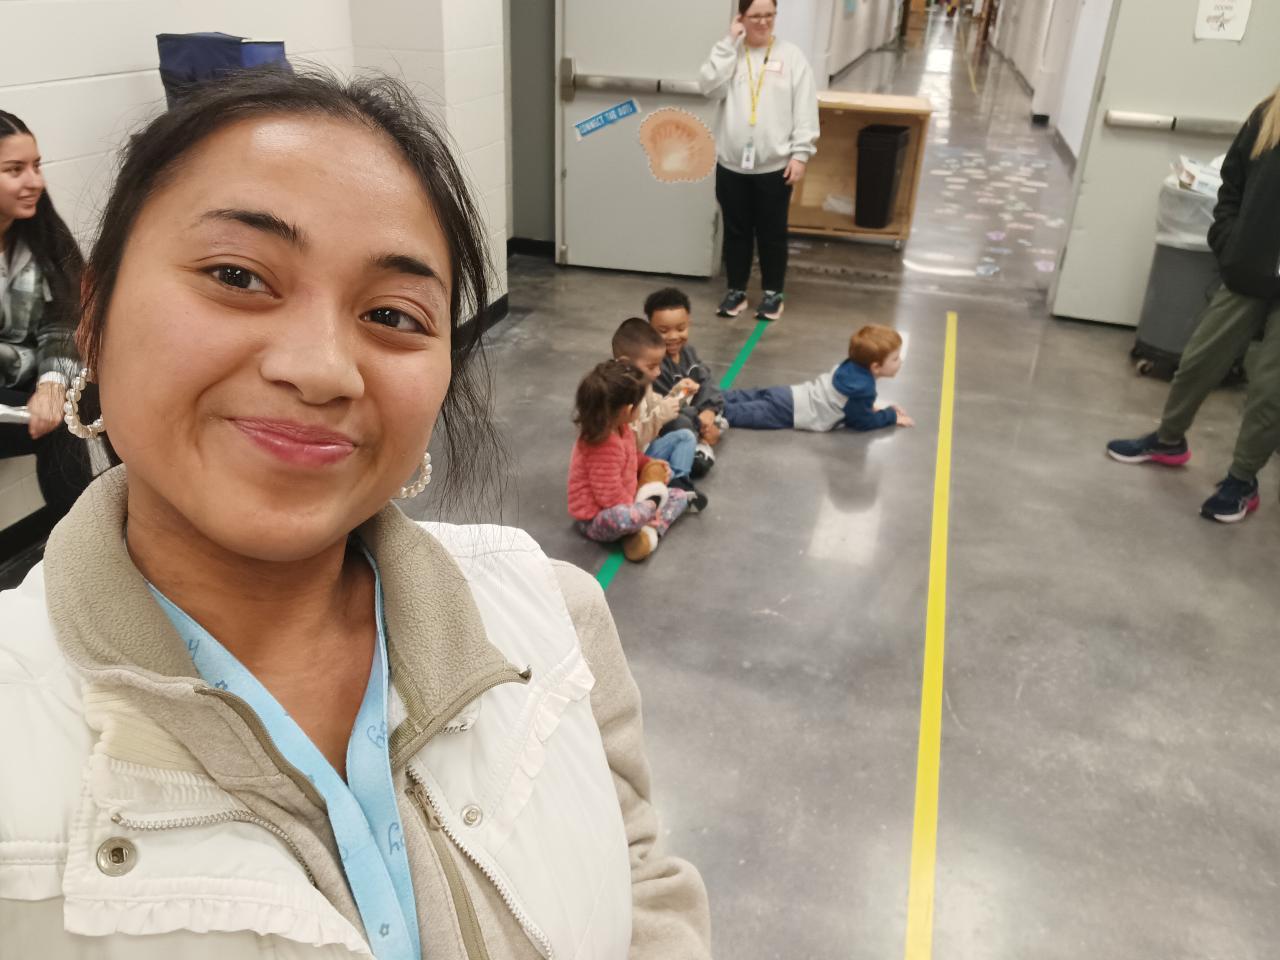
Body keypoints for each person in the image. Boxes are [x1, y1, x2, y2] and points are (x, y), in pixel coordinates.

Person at [0, 71, 712, 960]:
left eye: (392, 314)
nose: (322, 369)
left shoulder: (550, 615)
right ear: (94, 315)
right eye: (237, 275)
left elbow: (639, 876)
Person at [1107, 84, 1280, 524]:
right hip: (1248, 272)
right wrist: (1230, 243)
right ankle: (1168, 441)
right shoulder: (1269, 114)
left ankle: (1242, 480)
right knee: (1199, 360)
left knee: (1270, 390)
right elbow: (1233, 184)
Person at [699, 0, 819, 322]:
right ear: (741, 18)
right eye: (755, 16)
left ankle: (772, 293)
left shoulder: (791, 57)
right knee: (736, 230)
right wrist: (728, 43)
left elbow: (805, 109)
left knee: (772, 232)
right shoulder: (730, 54)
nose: (763, 22)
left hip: (774, 165)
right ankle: (736, 290)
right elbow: (708, 87)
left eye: (769, 15)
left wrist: (801, 154)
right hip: (732, 163)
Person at [0, 111, 92, 522]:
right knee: (63, 423)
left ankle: (92, 531)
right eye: (14, 170)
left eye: (36, 166)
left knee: (77, 404)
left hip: (27, 381)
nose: (34, 181)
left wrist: (53, 385)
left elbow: (63, 317)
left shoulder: (39, 233)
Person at [568, 360, 697, 562]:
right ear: (628, 410)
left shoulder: (622, 427)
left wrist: (650, 463)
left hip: (629, 498)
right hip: (597, 517)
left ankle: (644, 531)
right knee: (624, 517)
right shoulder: (601, 444)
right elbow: (609, 498)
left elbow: (632, 456)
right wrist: (647, 506)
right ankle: (648, 526)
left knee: (678, 495)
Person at [723, 324, 914, 430]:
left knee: (742, 397)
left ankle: (711, 397)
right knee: (735, 413)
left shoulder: (850, 366)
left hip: (789, 394)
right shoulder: (864, 390)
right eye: (895, 359)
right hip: (790, 412)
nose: (901, 361)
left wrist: (871, 407)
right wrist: (890, 415)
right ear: (876, 367)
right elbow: (862, 421)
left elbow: (848, 403)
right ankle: (708, 411)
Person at [610, 317, 706, 499]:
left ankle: (678, 482)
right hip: (626, 465)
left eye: (659, 365)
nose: (658, 372)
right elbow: (629, 442)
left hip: (642, 454)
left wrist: (679, 393)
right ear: (625, 363)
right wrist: (661, 416)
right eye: (651, 366)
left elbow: (658, 406)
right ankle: (672, 485)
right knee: (681, 442)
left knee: (685, 436)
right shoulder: (618, 395)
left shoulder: (643, 384)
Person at [645, 287, 727, 476]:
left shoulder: (688, 351)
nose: (673, 336)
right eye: (663, 331)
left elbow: (706, 379)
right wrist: (702, 422)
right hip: (671, 417)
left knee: (721, 398)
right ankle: (701, 442)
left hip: (694, 410)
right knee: (680, 423)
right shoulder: (654, 364)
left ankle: (706, 433)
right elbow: (667, 408)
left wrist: (709, 410)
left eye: (681, 329)